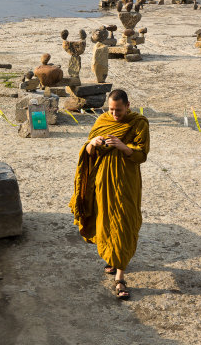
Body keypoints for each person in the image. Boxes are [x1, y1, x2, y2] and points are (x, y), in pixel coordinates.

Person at [69, 89, 150, 299]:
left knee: (124, 222)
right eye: (112, 110)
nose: (115, 115)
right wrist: (91, 145)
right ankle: (113, 258)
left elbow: (142, 155)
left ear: (128, 105)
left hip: (126, 182)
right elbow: (88, 150)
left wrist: (124, 147)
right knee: (105, 220)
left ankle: (120, 278)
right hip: (103, 181)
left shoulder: (139, 123)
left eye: (119, 111)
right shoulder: (103, 120)